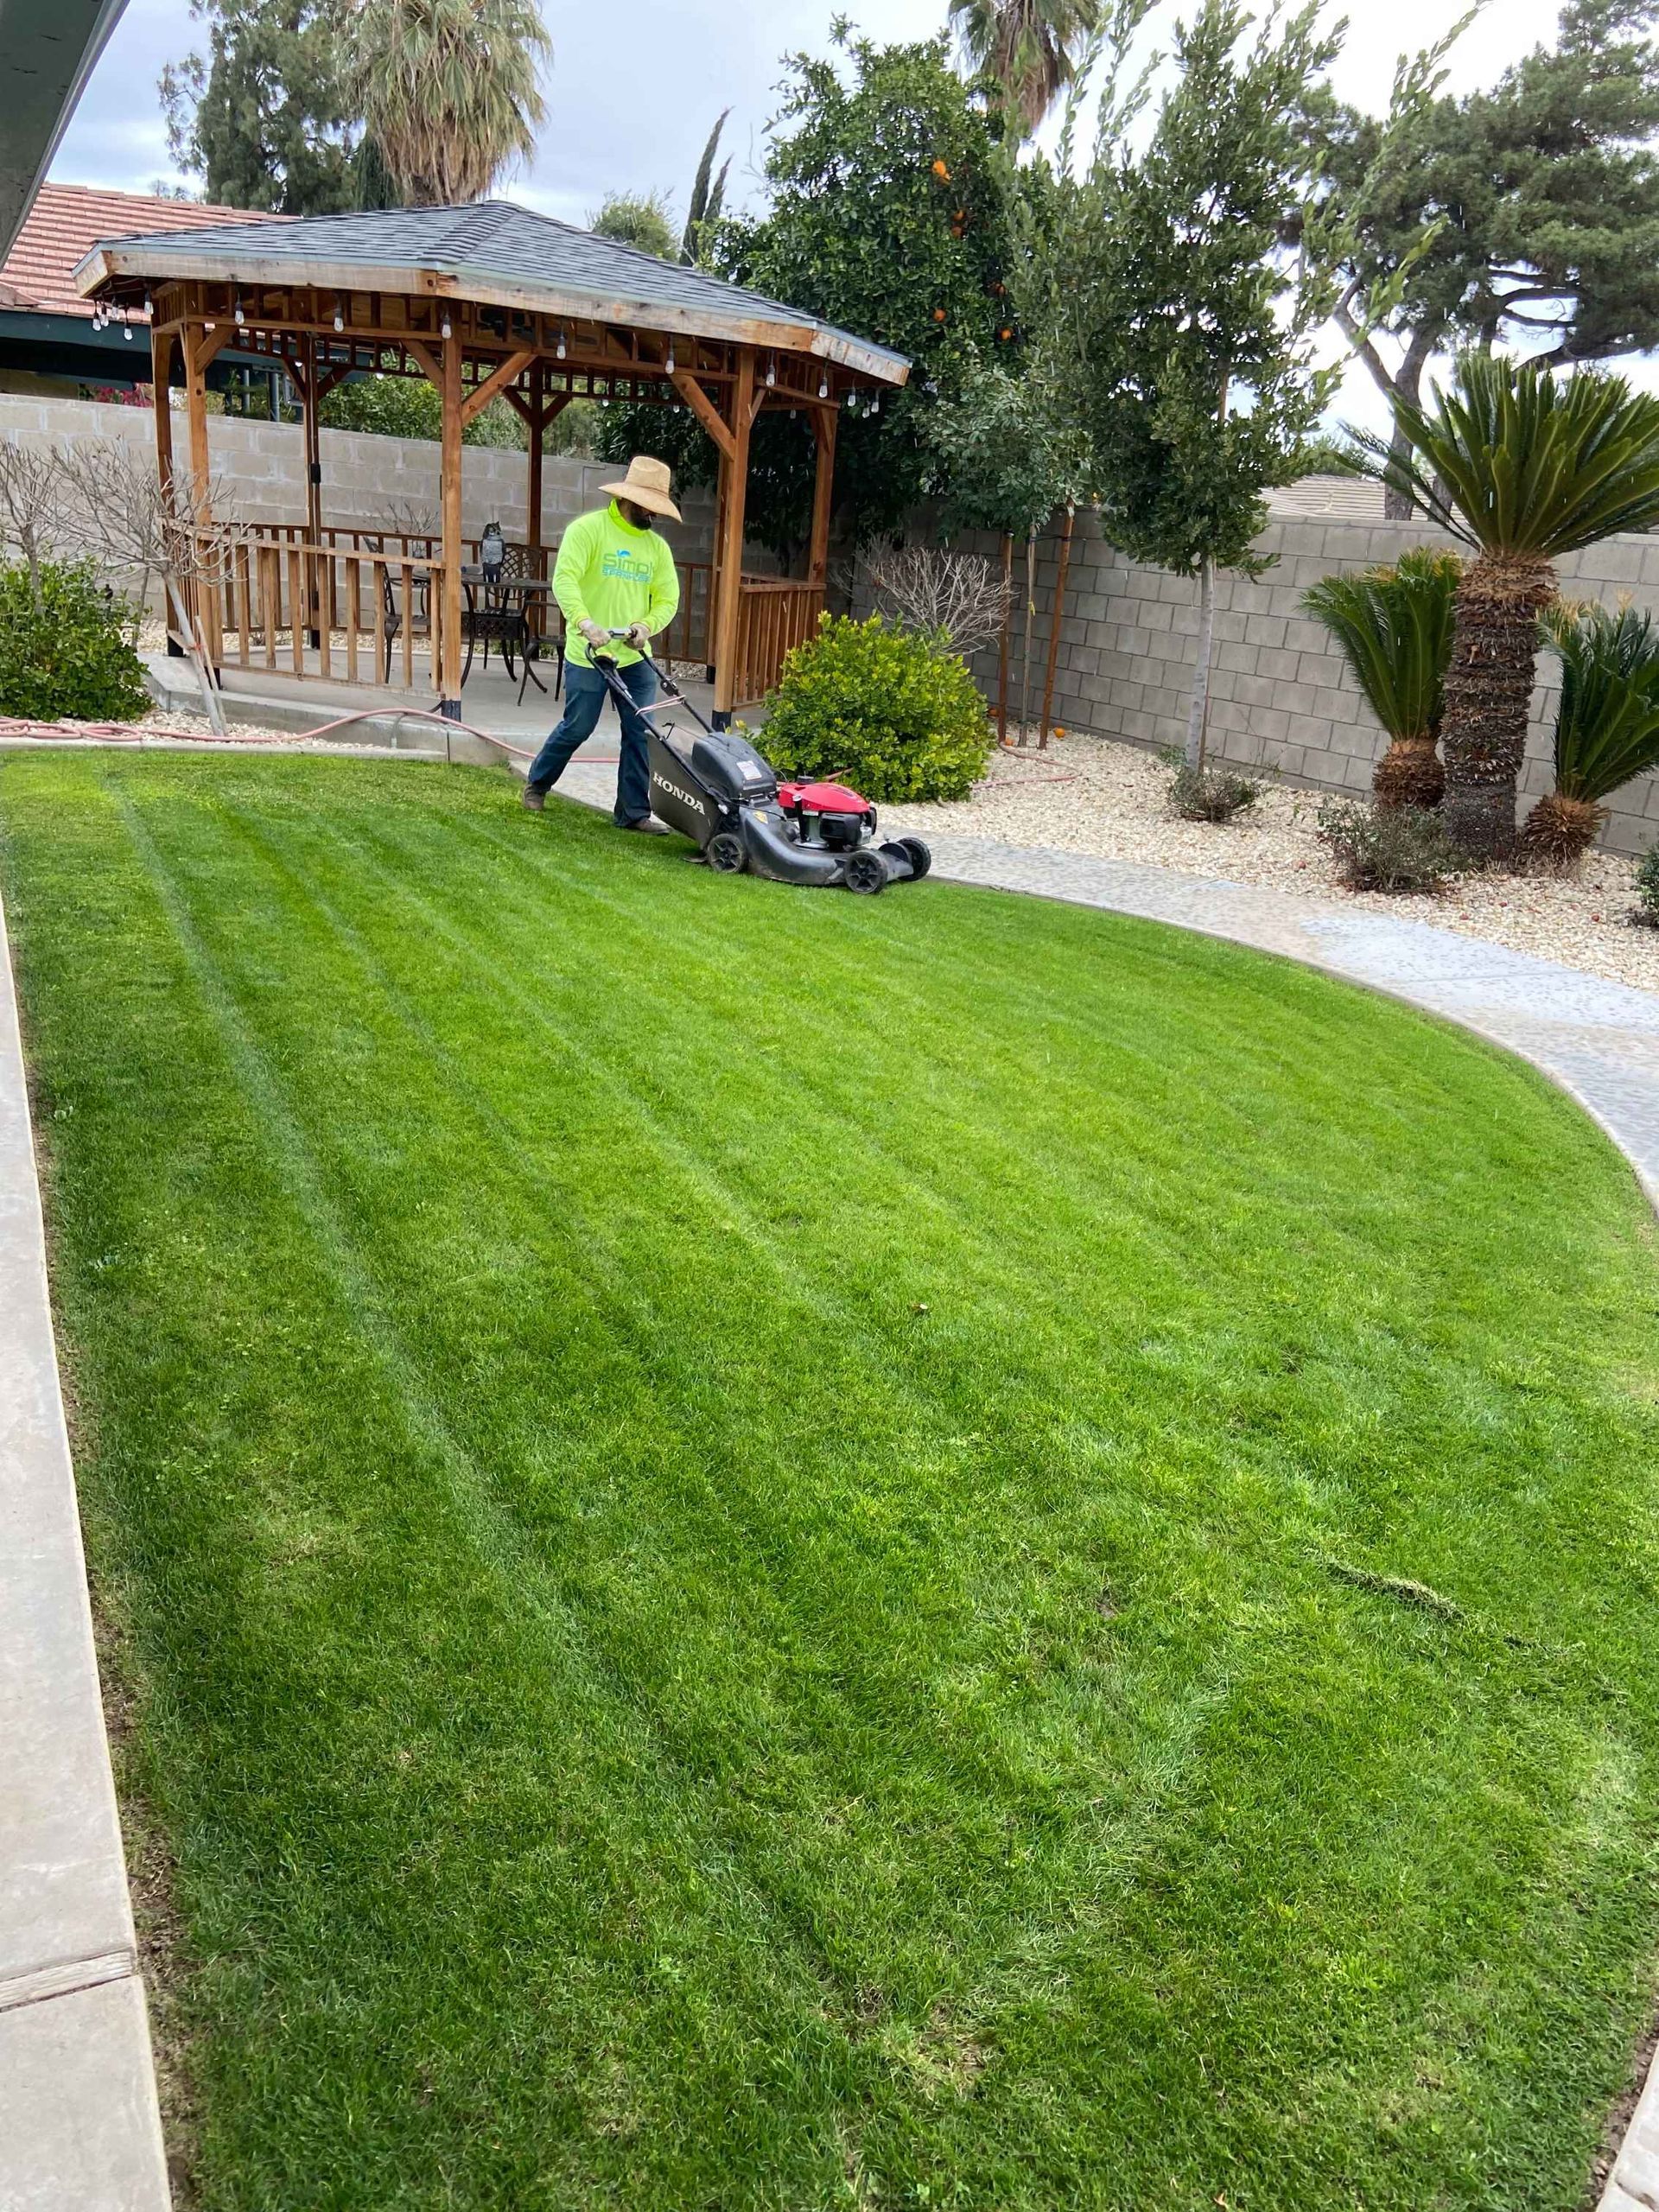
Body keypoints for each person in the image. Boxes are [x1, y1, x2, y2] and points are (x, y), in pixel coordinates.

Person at [520, 456, 682, 830]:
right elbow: (565, 581)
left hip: (635, 657)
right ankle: (538, 784)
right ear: (630, 500)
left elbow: (667, 599)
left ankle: (633, 813)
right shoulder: (588, 531)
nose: (654, 516)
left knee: (642, 732)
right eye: (650, 507)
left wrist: (646, 625)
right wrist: (585, 622)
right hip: (590, 652)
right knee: (578, 726)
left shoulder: (657, 549)